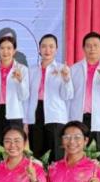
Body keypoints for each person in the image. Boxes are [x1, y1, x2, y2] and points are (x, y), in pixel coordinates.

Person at [0, 35, 29, 161]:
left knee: (14, 150)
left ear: (14, 50)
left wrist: (20, 81)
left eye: (9, 48)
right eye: (2, 48)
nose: (5, 51)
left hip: (14, 115)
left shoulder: (22, 69)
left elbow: (24, 96)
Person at [25, 34, 73, 162]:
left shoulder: (62, 69)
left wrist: (66, 79)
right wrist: (26, 120)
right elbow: (26, 98)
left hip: (55, 116)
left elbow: (67, 95)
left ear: (56, 49)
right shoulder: (31, 70)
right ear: (39, 49)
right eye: (44, 46)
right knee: (37, 156)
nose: (47, 50)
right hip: (36, 115)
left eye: (51, 46)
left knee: (56, 156)